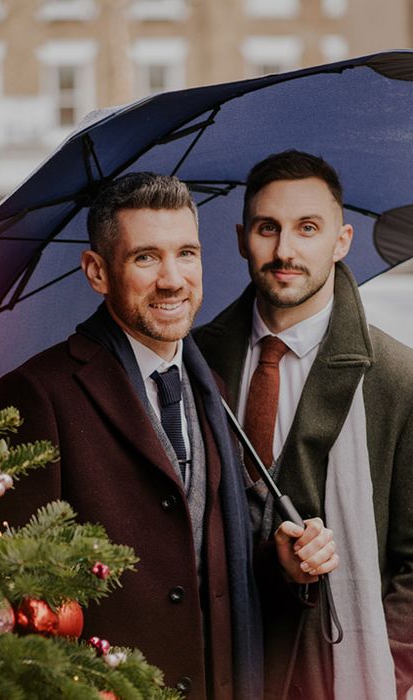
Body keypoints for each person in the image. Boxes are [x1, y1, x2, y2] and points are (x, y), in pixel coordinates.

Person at [0, 172, 336, 700]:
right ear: (97, 271)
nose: (173, 279)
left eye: (186, 254)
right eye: (145, 258)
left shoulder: (209, 386)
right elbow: (17, 593)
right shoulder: (35, 394)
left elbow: (205, 562)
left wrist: (283, 564)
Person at [194, 150, 413, 700]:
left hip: (335, 669)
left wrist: (387, 671)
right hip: (216, 661)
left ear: (341, 242)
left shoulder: (398, 378)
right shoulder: (194, 361)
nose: (285, 251)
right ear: (244, 237)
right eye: (268, 228)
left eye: (307, 228)